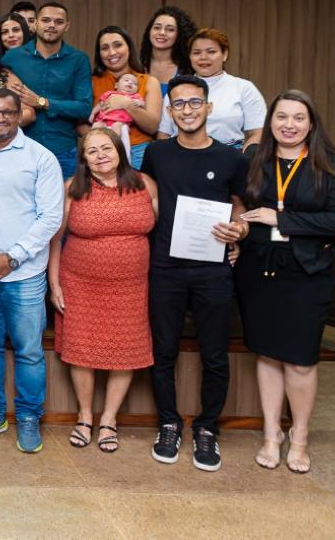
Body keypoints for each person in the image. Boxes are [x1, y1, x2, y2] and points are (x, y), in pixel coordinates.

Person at [237, 90, 335, 474]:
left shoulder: (330, 165)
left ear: (311, 123)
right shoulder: (254, 160)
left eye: (298, 118)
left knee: (301, 361)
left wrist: (282, 219)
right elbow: (240, 206)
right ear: (270, 121)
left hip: (307, 273)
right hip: (258, 270)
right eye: (282, 117)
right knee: (268, 354)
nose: (289, 125)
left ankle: (300, 437)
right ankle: (271, 434)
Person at [141, 75, 250, 472]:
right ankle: (168, 423)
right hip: (165, 268)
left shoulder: (231, 159)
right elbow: (148, 200)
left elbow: (239, 207)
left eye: (194, 103)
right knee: (163, 352)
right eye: (179, 104)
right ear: (170, 111)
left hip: (213, 270)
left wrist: (240, 230)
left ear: (208, 107)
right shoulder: (156, 153)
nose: (187, 110)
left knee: (215, 354)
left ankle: (207, 428)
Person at [0, 89, 63, 454]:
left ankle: (29, 417)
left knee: (29, 351)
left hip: (25, 275)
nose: (0, 118)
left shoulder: (41, 158)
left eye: (7, 112)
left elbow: (51, 217)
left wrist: (13, 257)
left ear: (19, 115)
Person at [48, 127, 157, 454]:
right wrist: (54, 284)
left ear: (119, 150)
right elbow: (55, 240)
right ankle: (84, 417)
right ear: (83, 158)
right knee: (82, 350)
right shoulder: (72, 188)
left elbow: (162, 233)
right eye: (92, 151)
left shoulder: (145, 184)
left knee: (124, 351)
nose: (100, 156)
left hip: (131, 286)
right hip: (80, 283)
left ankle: (109, 419)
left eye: (106, 148)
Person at [3, 1, 93, 179]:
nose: (52, 25)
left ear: (67, 26)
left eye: (58, 22)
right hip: (20, 149)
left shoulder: (78, 59)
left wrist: (42, 102)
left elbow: (84, 107)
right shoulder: (13, 57)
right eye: (46, 20)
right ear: (35, 23)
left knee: (64, 198)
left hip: (63, 150)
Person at [157, 27, 266, 150]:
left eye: (211, 51)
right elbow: (163, 134)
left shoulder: (243, 88)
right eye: (197, 53)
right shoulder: (177, 89)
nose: (203, 57)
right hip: (181, 155)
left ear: (225, 55)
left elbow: (258, 133)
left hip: (230, 156)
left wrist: (242, 158)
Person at [89, 26, 163, 168]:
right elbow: (80, 124)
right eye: (105, 48)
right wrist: (101, 138)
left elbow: (152, 127)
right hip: (100, 152)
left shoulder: (149, 82)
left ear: (129, 48)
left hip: (138, 151)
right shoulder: (92, 82)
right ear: (99, 54)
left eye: (118, 45)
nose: (112, 52)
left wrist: (126, 104)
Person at [140, 6, 198, 96]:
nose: (162, 33)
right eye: (157, 27)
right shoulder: (137, 65)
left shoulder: (189, 68)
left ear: (180, 35)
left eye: (170, 29)